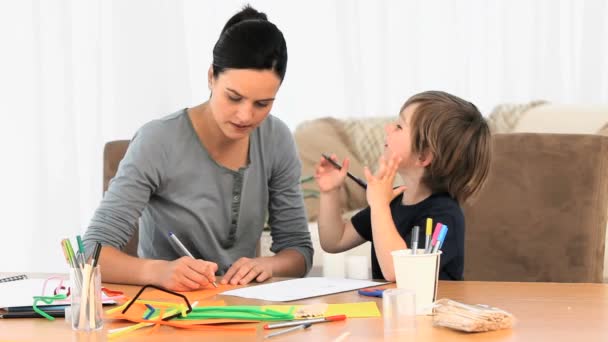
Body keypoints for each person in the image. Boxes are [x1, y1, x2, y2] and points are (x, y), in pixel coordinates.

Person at [83, 5, 313, 291]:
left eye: (262, 104)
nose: (245, 116)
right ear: (211, 77)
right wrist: (158, 272)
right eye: (234, 97)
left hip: (244, 312)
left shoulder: (277, 139)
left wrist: (268, 264)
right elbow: (91, 252)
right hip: (168, 311)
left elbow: (299, 251)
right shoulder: (158, 141)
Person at [315, 91, 491, 281]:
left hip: (432, 310)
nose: (388, 127)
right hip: (391, 310)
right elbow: (334, 240)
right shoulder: (392, 202)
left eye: (399, 126)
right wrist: (330, 192)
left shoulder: (444, 215)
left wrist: (380, 206)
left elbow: (397, 272)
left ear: (423, 156)